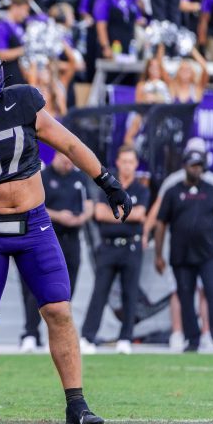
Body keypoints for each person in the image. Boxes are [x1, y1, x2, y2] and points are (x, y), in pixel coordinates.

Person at [0, 45, 130, 424]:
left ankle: (77, 405)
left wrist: (106, 181)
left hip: (35, 225)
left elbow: (68, 143)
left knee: (59, 311)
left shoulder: (22, 102)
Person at [153, 149, 213, 353]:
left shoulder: (212, 189)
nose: (196, 169)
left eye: (199, 166)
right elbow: (161, 223)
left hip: (208, 253)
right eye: (193, 165)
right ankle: (193, 338)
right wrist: (158, 254)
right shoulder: (173, 191)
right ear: (185, 166)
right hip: (181, 254)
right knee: (185, 296)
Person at [20, 149, 94, 353]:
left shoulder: (79, 178)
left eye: (71, 160)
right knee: (38, 288)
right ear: (56, 156)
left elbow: (89, 205)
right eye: (65, 159)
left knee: (67, 289)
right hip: (47, 239)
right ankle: (30, 333)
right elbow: (34, 206)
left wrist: (81, 218)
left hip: (72, 240)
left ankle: (61, 336)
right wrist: (59, 216)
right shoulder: (43, 176)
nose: (68, 163)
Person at [80, 146, 148, 355]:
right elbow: (100, 213)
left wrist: (117, 213)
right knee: (100, 291)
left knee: (130, 293)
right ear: (117, 163)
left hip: (131, 246)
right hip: (108, 246)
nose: (127, 165)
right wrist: (127, 214)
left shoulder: (141, 189)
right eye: (124, 161)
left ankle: (126, 337)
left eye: (131, 162)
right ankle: (87, 336)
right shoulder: (109, 187)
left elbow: (140, 214)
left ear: (136, 165)